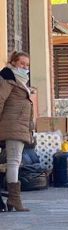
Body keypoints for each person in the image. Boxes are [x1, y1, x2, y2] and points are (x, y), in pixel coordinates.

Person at [0, 51, 32, 212]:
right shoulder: (8, 79)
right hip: (12, 126)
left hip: (18, 126)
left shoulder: (20, 80)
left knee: (15, 162)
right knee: (14, 162)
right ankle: (14, 199)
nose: (25, 68)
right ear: (13, 63)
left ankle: (14, 199)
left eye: (27, 65)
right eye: (22, 64)